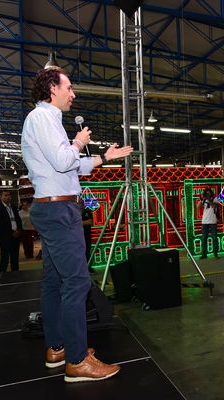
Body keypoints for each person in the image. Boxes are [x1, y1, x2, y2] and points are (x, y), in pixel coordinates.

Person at [22, 67, 132, 382]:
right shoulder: (44, 118)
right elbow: (63, 160)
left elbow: (70, 168)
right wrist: (79, 141)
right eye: (68, 87)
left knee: (55, 283)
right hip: (58, 211)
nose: (73, 94)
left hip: (52, 207)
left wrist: (104, 158)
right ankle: (77, 360)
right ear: (52, 88)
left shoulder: (44, 119)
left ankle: (58, 348)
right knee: (77, 283)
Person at [0, 191, 23, 272]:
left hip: (16, 237)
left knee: (15, 258)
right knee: (5, 258)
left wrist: (19, 230)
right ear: (1, 197)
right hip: (5, 237)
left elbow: (19, 220)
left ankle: (15, 274)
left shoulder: (13, 208)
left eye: (9, 195)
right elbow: (0, 225)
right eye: (5, 195)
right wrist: (12, 232)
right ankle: (2, 276)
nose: (8, 197)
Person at [197, 188, 220, 260]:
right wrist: (202, 200)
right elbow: (198, 207)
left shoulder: (215, 199)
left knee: (214, 238)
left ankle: (215, 253)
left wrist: (208, 200)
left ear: (211, 193)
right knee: (204, 238)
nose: (207, 194)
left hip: (213, 221)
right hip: (205, 221)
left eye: (208, 193)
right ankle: (204, 254)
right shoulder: (203, 199)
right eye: (206, 193)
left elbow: (214, 206)